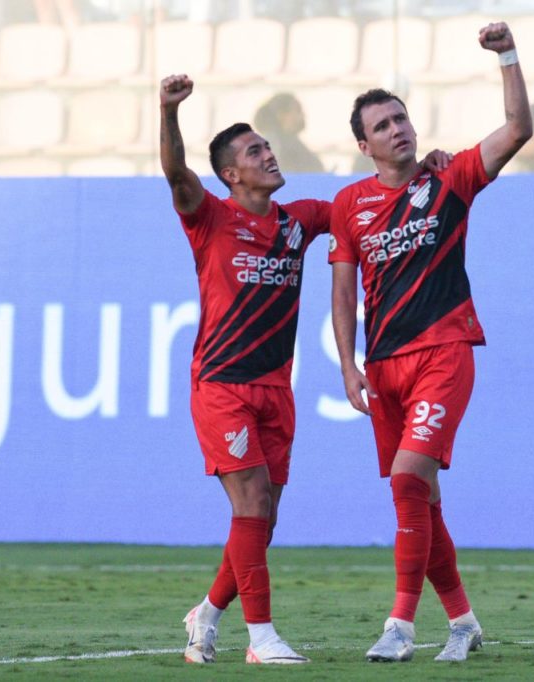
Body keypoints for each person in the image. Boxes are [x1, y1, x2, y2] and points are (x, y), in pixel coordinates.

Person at [160, 73, 450, 666]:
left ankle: (207, 613)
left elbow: (368, 200)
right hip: (222, 386)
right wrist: (168, 113)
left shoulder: (300, 221)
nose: (268, 155)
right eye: (253, 153)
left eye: (267, 146)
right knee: (250, 506)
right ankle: (260, 638)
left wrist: (427, 171)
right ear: (232, 176)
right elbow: (175, 172)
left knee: (262, 518)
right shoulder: (209, 218)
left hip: (275, 392)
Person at [328, 21, 531, 663]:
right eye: (383, 125)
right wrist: (347, 366)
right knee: (421, 498)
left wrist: (507, 56)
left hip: (445, 353)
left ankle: (400, 625)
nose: (399, 129)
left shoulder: (449, 180)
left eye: (402, 118)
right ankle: (464, 622)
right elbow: (342, 293)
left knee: (410, 478)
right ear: (365, 144)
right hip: (383, 366)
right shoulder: (349, 205)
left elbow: (518, 130)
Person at [254, 92, 325, 173]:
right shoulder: (274, 143)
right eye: (298, 110)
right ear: (282, 115)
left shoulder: (290, 142)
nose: (303, 115)